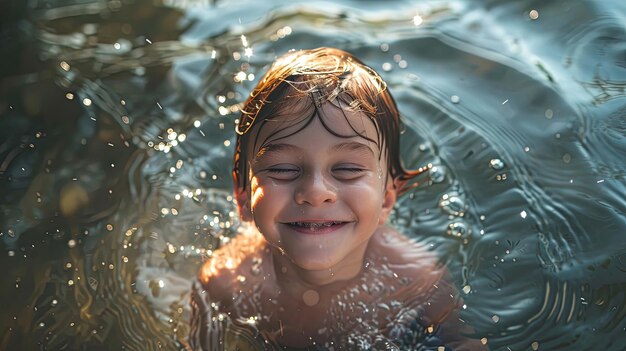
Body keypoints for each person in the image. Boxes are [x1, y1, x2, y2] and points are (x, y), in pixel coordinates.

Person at [189, 47, 486, 350]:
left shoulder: (415, 279)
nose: (316, 192)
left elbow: (462, 342)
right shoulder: (226, 281)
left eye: (347, 169)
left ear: (386, 198)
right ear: (242, 194)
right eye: (283, 169)